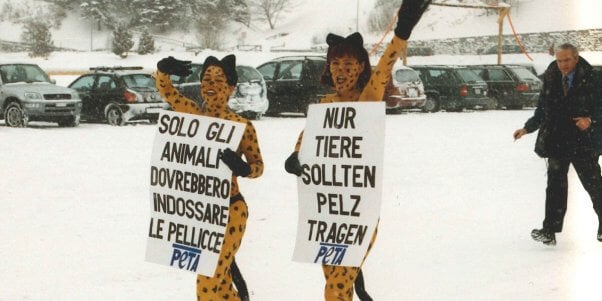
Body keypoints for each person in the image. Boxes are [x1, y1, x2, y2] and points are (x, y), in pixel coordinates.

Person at [284, 1, 431, 300]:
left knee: (336, 288)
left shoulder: (368, 100)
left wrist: (402, 30)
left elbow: (384, 66)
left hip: (357, 212)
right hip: (326, 214)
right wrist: (295, 157)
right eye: (335, 65)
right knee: (336, 282)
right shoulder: (325, 105)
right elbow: (307, 141)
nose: (341, 71)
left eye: (348, 65)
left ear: (361, 67)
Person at [155, 54, 264, 301]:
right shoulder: (193, 115)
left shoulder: (242, 124)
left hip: (230, 210)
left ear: (231, 87)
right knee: (222, 284)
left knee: (208, 277)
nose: (211, 85)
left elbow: (258, 166)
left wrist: (244, 169)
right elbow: (169, 93)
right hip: (201, 212)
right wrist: (163, 71)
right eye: (207, 79)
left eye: (219, 80)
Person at [513, 43, 602, 245]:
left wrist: (590, 121)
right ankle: (549, 230)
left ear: (576, 58)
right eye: (560, 60)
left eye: (567, 60)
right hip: (557, 140)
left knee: (594, 184)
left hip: (583, 142)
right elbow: (542, 109)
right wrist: (527, 129)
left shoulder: (594, 78)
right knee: (555, 186)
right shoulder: (551, 77)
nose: (563, 64)